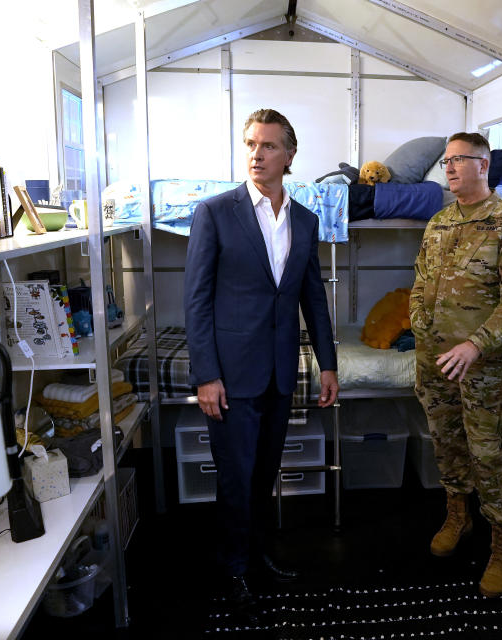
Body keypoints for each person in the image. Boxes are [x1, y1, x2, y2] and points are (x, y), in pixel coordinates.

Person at [184, 108, 339, 616]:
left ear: (289, 156)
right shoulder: (215, 213)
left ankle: (256, 554)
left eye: (268, 146)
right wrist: (205, 374)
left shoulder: (305, 219)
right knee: (235, 477)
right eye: (251, 143)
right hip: (230, 374)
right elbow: (197, 300)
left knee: (264, 472)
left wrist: (328, 364)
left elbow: (312, 298)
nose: (256, 153)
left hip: (280, 372)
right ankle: (233, 571)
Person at [410, 132, 502, 598]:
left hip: (480, 366)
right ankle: (457, 515)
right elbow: (420, 282)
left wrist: (475, 345)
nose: (447, 168)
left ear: (483, 165)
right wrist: (422, 330)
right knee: (445, 442)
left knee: (486, 451)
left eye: (457, 160)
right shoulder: (439, 221)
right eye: (445, 161)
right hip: (434, 361)